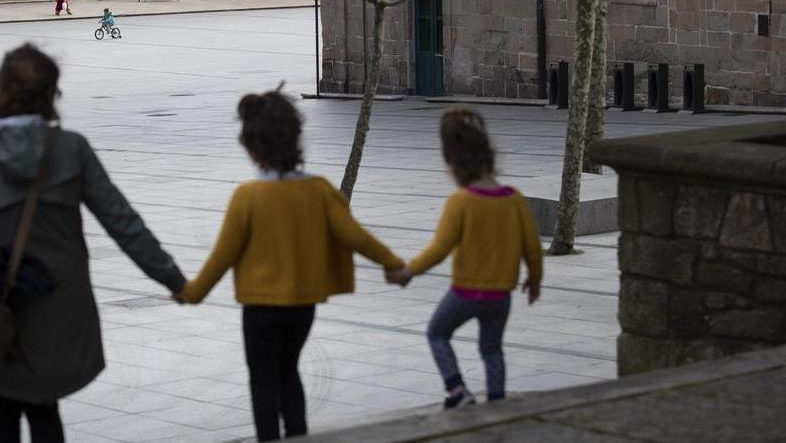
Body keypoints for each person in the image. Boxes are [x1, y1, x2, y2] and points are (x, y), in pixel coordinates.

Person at [0, 43, 185, 443]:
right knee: (44, 407)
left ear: (1, 91)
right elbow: (122, 222)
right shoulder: (70, 149)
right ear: (50, 96)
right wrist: (172, 279)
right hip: (58, 301)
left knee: (1, 409)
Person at [176, 89, 409, 441]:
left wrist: (192, 293)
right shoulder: (319, 190)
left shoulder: (248, 198)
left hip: (260, 308)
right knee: (288, 371)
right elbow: (355, 235)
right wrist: (393, 264)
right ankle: (298, 435)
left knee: (262, 379)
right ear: (296, 139)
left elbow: (222, 257)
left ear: (251, 148)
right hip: (302, 306)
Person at [405, 108, 543, 408]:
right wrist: (534, 280)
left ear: (455, 164)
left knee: (437, 333)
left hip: (465, 293)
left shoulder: (461, 202)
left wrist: (409, 271)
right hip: (500, 296)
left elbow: (440, 248)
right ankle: (496, 401)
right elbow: (532, 247)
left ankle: (456, 389)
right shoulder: (514, 199)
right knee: (492, 350)